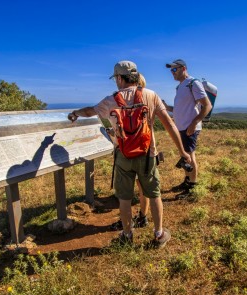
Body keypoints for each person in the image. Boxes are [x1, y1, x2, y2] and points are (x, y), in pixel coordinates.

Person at [68, 61, 191, 247]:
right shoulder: (150, 95)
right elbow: (169, 124)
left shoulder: (110, 100)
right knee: (154, 194)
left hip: (123, 156)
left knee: (124, 198)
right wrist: (183, 151)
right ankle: (158, 234)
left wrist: (76, 113)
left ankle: (127, 235)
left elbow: (90, 111)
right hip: (148, 155)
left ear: (119, 78)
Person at [163, 59, 212, 199]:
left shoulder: (193, 83)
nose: (172, 73)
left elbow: (207, 105)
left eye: (174, 69)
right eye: (171, 70)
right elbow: (179, 109)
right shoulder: (180, 87)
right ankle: (187, 181)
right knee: (186, 156)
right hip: (182, 127)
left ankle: (192, 188)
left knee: (190, 157)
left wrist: (194, 123)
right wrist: (167, 108)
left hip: (190, 127)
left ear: (183, 68)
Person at [110, 73, 149, 231]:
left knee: (125, 193)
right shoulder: (147, 97)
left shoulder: (121, 99)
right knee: (142, 186)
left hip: (126, 151)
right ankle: (143, 217)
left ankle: (126, 225)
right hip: (145, 148)